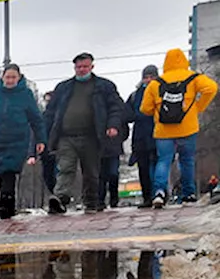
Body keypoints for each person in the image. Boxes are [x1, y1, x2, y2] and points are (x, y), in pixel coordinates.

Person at [42, 53, 124, 213]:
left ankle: (91, 201)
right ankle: (60, 198)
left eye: (85, 66)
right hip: (66, 136)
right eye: (78, 67)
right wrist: (44, 135)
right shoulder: (63, 88)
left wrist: (112, 125)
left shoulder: (104, 86)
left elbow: (116, 107)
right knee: (65, 167)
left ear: (92, 66)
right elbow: (50, 112)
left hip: (92, 136)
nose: (81, 70)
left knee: (91, 172)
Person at [140, 48, 219, 208]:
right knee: (187, 160)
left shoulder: (156, 83)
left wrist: (159, 109)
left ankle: (159, 193)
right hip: (187, 127)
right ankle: (188, 194)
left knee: (163, 161)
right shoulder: (193, 78)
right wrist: (198, 106)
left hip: (163, 130)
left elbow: (145, 109)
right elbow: (211, 88)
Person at [0, 63, 44, 219]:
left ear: (19, 78)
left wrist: (40, 139)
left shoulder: (26, 95)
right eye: (7, 77)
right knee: (0, 174)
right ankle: (9, 205)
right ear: (2, 78)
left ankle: (5, 206)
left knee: (9, 171)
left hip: (17, 141)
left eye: (13, 77)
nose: (10, 80)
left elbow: (36, 118)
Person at [126, 66, 159, 208]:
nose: (149, 80)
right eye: (146, 77)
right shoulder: (135, 95)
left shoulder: (162, 90)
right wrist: (139, 115)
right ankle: (147, 197)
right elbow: (126, 114)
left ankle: (158, 194)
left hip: (159, 134)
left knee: (158, 166)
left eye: (152, 76)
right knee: (143, 168)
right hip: (140, 137)